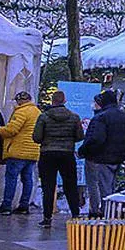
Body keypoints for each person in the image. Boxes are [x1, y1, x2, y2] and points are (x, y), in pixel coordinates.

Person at [33, 90, 84, 228]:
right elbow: (80, 136)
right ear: (64, 101)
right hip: (67, 154)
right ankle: (75, 214)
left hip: (47, 154)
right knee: (70, 185)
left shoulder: (43, 117)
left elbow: (36, 137)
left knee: (48, 186)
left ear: (52, 101)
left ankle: (47, 217)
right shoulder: (74, 117)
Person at [79, 89, 125, 218]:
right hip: (117, 158)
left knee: (97, 185)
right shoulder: (124, 116)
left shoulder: (100, 117)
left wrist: (83, 150)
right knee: (110, 186)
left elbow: (96, 139)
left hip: (99, 158)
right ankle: (109, 211)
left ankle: (99, 211)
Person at [0, 91, 41, 215]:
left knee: (11, 178)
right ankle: (24, 205)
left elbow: (12, 130)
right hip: (33, 151)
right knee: (27, 179)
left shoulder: (21, 112)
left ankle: (6, 205)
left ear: (20, 100)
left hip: (18, 151)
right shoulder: (37, 112)